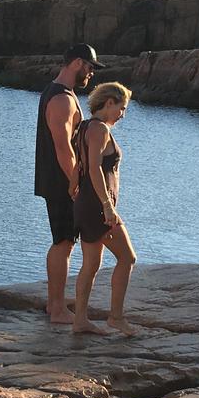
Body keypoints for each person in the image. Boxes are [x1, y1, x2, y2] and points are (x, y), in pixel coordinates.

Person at [35, 43, 106, 324]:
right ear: (77, 63)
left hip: (58, 181)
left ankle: (55, 306)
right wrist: (75, 183)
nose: (91, 74)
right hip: (62, 182)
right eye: (89, 67)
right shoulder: (62, 99)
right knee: (63, 243)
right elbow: (63, 147)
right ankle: (57, 309)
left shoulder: (60, 94)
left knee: (64, 242)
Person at [72, 82, 137, 336]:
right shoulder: (99, 129)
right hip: (98, 207)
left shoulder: (86, 127)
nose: (122, 114)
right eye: (121, 108)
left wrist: (74, 189)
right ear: (108, 103)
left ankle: (80, 320)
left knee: (91, 264)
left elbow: (80, 166)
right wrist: (108, 206)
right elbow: (95, 168)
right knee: (127, 258)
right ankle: (116, 318)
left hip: (87, 204)